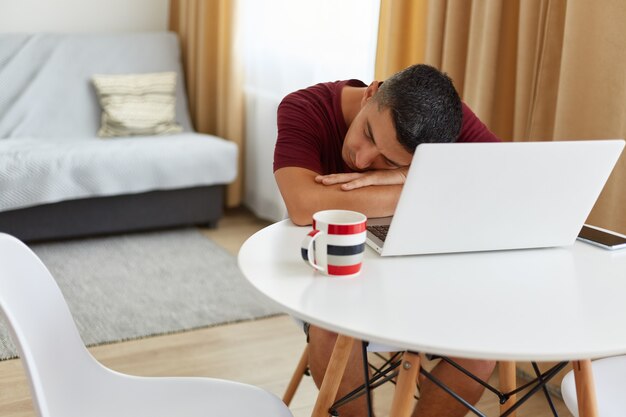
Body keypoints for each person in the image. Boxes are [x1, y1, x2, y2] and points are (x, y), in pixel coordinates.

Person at [273, 64, 499, 417]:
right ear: (371, 93)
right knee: (331, 328)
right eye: (368, 134)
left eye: (389, 161)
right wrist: (419, 186)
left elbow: (501, 176)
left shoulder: (439, 118)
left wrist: (410, 180)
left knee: (482, 343)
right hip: (331, 275)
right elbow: (304, 206)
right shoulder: (305, 107)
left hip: (421, 274)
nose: (361, 160)